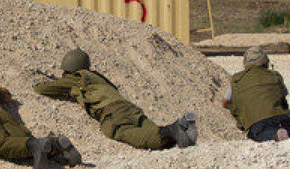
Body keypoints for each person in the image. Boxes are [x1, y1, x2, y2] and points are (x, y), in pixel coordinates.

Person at [33, 49, 197, 150]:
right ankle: (179, 129)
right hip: (129, 108)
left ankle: (171, 130)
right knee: (153, 134)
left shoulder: (76, 78)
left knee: (121, 132)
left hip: (112, 111)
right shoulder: (98, 77)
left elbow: (41, 89)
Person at [221, 47, 290, 142]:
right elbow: (283, 95)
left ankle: (276, 135)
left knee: (260, 133)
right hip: (281, 117)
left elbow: (225, 103)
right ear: (265, 62)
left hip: (257, 122)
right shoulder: (275, 75)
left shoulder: (237, 80)